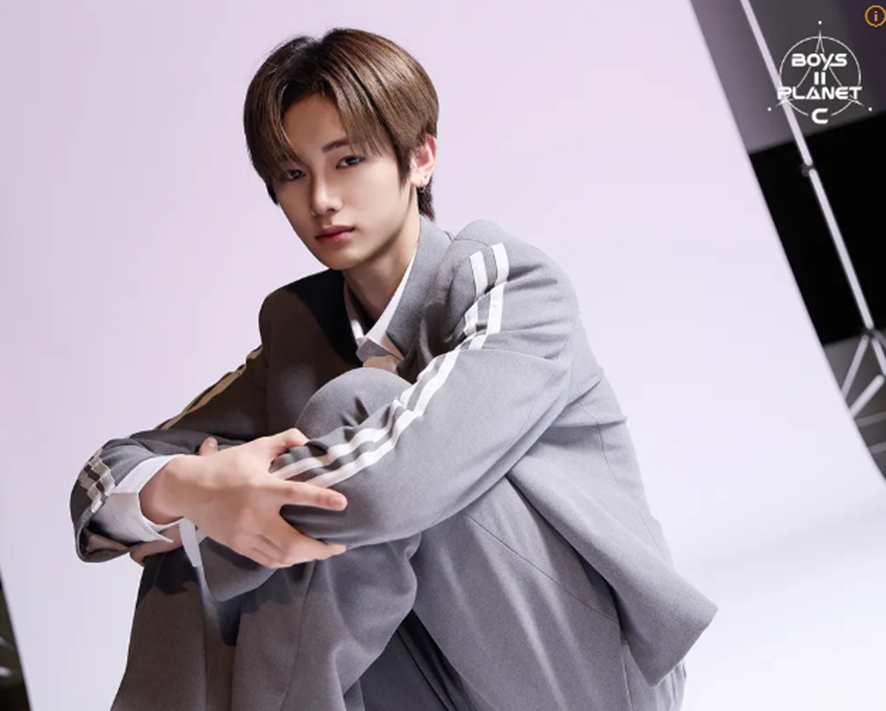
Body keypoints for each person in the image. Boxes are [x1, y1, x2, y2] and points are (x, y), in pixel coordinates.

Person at [70, 27, 716, 711]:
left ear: (421, 157)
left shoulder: (511, 283)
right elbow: (104, 478)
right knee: (187, 503)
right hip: (428, 676)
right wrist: (182, 490)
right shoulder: (298, 331)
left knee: (350, 411)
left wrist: (210, 514)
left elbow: (394, 484)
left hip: (583, 672)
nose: (321, 198)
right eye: (292, 174)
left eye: (347, 160)